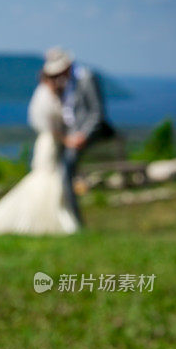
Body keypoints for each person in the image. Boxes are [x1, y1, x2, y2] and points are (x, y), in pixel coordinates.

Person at [0, 71, 80, 237]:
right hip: (49, 143)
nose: (59, 81)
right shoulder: (44, 96)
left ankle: (50, 219)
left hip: (51, 143)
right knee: (44, 178)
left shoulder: (51, 94)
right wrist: (66, 139)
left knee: (51, 180)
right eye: (54, 77)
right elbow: (49, 125)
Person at [42, 47, 114, 225]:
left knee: (67, 166)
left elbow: (97, 112)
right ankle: (67, 217)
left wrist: (84, 135)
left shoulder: (86, 77)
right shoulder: (63, 83)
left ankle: (75, 220)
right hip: (69, 135)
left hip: (86, 134)